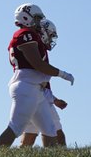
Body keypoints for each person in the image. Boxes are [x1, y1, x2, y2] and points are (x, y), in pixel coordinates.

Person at [0, 4, 74, 147]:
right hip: (27, 86)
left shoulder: (30, 35)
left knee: (50, 130)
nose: (39, 22)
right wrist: (62, 74)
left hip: (36, 90)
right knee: (16, 127)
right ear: (26, 17)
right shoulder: (25, 34)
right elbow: (38, 64)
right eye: (37, 18)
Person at [20, 18, 67, 147]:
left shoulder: (35, 47)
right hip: (38, 96)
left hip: (30, 95)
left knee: (29, 135)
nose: (51, 39)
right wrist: (53, 98)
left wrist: (54, 99)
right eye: (50, 35)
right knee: (58, 135)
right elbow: (40, 80)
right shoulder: (37, 50)